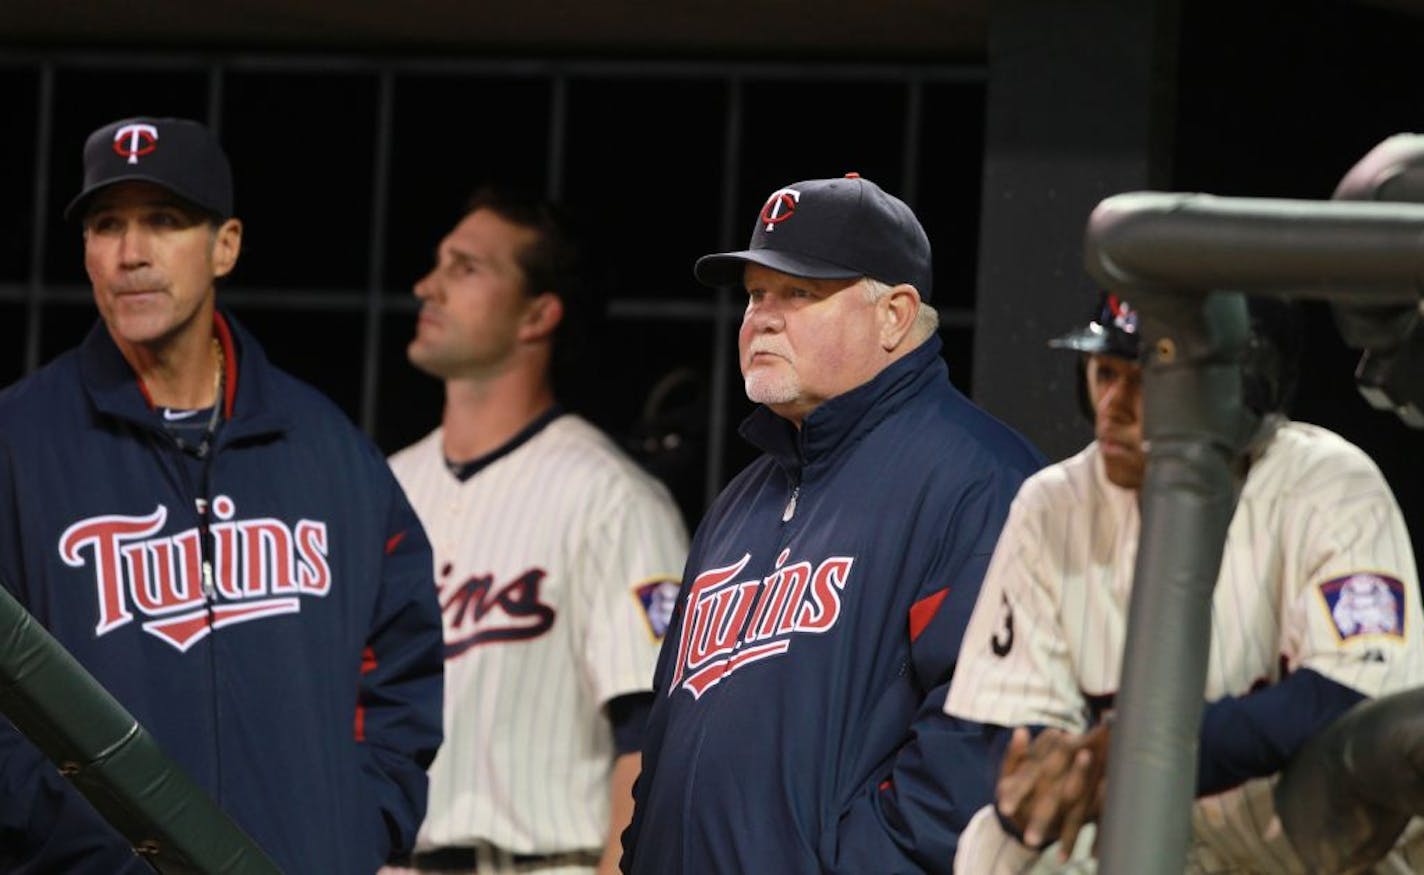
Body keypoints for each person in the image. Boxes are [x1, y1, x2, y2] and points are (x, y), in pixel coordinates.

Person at [0, 116, 445, 872]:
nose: (130, 253)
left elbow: (402, 656)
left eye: (164, 220)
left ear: (226, 245)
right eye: (106, 225)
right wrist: (58, 833)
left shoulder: (325, 446)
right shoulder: (17, 443)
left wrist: (353, 830)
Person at [620, 174, 1046, 874]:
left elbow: (986, 741)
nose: (762, 317)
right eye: (756, 293)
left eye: (801, 293)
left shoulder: (979, 480)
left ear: (895, 315)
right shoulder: (740, 503)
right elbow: (668, 741)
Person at [945, 293, 1424, 873]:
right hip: (1160, 847)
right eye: (1104, 373)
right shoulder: (1053, 504)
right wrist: (1048, 778)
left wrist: (1136, 753)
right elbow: (1021, 718)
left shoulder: (1326, 483)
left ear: (1236, 395)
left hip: (1317, 848)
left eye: (1144, 382)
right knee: (993, 849)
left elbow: (1351, 690)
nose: (1111, 408)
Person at [384, 186, 689, 875]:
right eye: (437, 264)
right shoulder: (384, 489)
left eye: (466, 268)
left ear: (537, 313)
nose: (427, 287)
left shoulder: (612, 497)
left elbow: (652, 743)